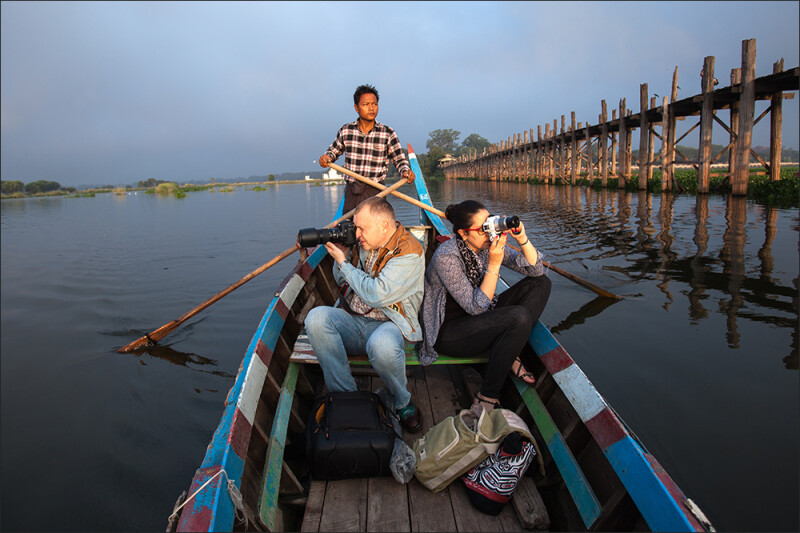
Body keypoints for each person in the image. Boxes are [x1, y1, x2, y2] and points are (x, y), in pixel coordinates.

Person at [304, 196, 424, 432]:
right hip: (355, 320)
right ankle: (346, 396)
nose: (357, 233)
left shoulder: (409, 252)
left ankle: (403, 402)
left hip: (390, 323)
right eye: (356, 227)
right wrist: (344, 257)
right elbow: (344, 284)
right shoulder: (364, 243)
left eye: (362, 228)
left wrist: (344, 264)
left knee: (382, 347)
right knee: (315, 319)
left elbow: (376, 295)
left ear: (385, 226)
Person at [419, 200, 551, 412]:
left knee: (541, 283)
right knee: (518, 317)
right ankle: (488, 394)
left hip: (480, 318)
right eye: (482, 230)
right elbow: (475, 307)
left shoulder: (488, 244)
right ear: (463, 233)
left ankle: (509, 351)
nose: (489, 233)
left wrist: (523, 239)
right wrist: (494, 264)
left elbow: (536, 271)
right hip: (450, 332)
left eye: (490, 224)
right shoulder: (446, 257)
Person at [318, 84, 415, 213]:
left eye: (374, 104)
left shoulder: (387, 133)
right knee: (350, 230)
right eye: (366, 104)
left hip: (376, 192)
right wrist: (326, 158)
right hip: (353, 192)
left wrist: (405, 172)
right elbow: (333, 152)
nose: (371, 108)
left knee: (375, 230)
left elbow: (399, 160)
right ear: (356, 108)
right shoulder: (346, 131)